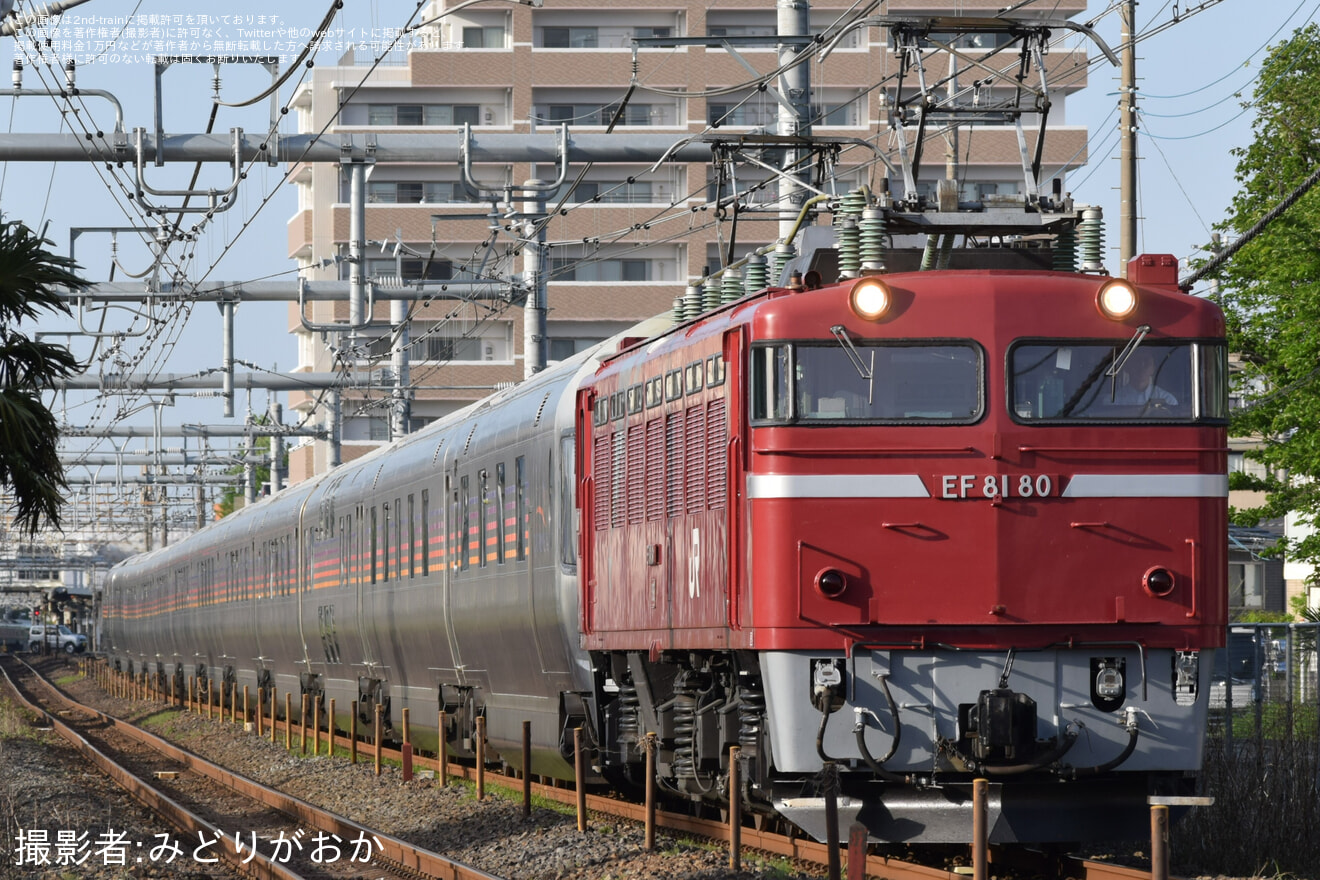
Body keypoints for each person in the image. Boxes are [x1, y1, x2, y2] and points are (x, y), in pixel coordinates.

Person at [1113, 349, 1178, 408]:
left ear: (1153, 369)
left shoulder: (1168, 400)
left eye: (1147, 362)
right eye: (1137, 362)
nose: (1142, 367)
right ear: (1127, 368)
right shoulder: (1113, 401)